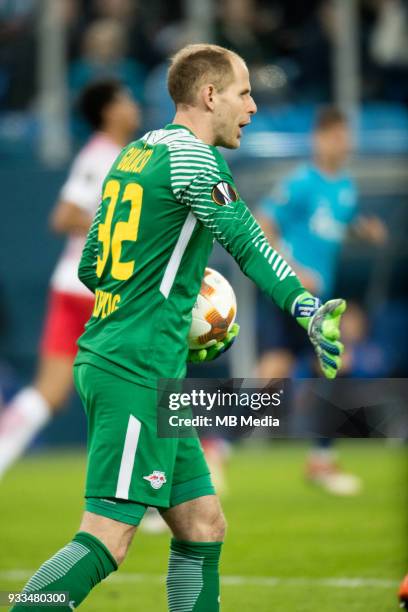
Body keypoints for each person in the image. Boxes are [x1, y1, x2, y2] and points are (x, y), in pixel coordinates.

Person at [10, 44, 346, 612]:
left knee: (203, 523)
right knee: (107, 536)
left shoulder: (133, 154)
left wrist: (165, 312)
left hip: (135, 361)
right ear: (209, 95)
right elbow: (248, 243)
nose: (254, 107)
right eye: (244, 93)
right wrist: (306, 308)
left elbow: (92, 263)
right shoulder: (196, 160)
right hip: (134, 370)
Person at [0, 79, 140, 479]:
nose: (133, 107)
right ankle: (148, 488)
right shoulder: (103, 157)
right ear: (109, 112)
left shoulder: (114, 156)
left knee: (50, 393)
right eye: (126, 100)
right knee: (137, 387)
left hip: (72, 288)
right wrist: (118, 227)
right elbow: (63, 216)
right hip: (98, 293)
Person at [256, 107, 387, 495]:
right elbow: (263, 223)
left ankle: (318, 460)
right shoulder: (301, 182)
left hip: (320, 297)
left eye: (345, 136)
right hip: (296, 293)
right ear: (318, 139)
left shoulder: (344, 187)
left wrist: (365, 231)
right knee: (314, 367)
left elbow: (338, 225)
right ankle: (319, 460)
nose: (341, 143)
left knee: (294, 371)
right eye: (334, 136)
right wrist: (291, 269)